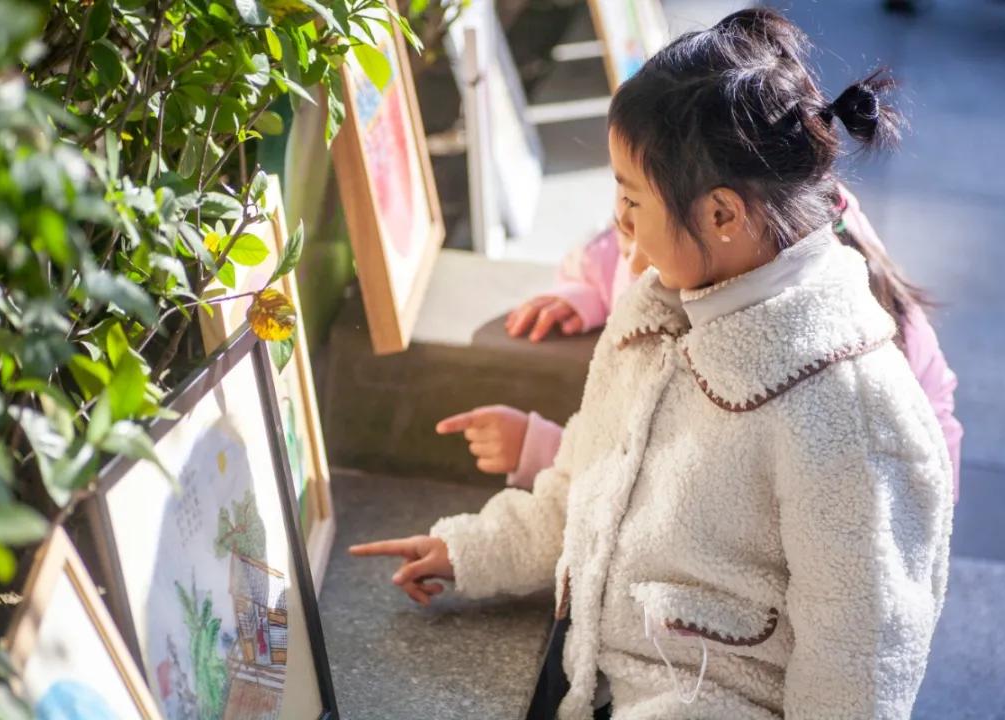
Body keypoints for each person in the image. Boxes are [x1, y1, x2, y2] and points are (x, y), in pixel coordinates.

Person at [351, 9, 954, 718]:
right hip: (605, 685)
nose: (620, 225)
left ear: (723, 215)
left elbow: (858, 671)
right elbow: (582, 492)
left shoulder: (853, 415)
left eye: (632, 200)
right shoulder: (655, 310)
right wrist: (472, 550)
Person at [438, 183, 963, 502]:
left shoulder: (771, 361)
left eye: (637, 210)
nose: (629, 252)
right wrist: (583, 292)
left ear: (722, 220)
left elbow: (682, 488)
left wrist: (548, 452)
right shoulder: (746, 256)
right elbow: (602, 251)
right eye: (623, 210)